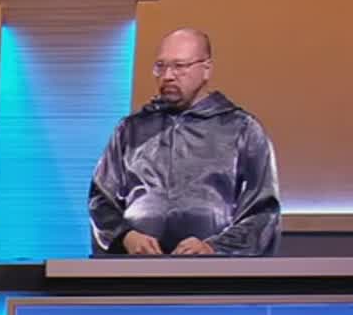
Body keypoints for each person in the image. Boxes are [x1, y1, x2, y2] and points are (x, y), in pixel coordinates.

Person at [87, 28, 281, 256]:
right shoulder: (130, 130)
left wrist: (214, 247)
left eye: (179, 66)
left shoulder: (242, 129)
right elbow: (101, 200)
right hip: (136, 266)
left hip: (213, 268)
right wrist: (125, 236)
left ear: (206, 69)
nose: (167, 76)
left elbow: (263, 212)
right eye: (160, 66)